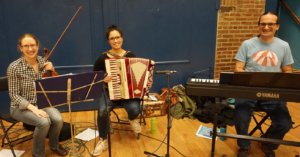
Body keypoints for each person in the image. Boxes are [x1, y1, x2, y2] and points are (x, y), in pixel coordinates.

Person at [234, 12, 293, 157]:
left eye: (270, 24)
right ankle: (244, 145)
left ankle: (268, 142)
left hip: (272, 93)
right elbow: (238, 69)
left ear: (277, 26)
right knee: (240, 115)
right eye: (263, 24)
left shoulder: (284, 46)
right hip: (248, 91)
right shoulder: (247, 44)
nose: (266, 27)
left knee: (285, 123)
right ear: (258, 25)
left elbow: (287, 70)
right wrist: (254, 79)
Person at [92, 24, 152, 156]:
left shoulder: (130, 56)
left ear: (122, 38)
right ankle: (103, 139)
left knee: (135, 110)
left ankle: (131, 119)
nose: (115, 41)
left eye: (117, 37)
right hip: (109, 92)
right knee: (102, 111)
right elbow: (94, 77)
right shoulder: (103, 58)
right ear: (108, 41)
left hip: (128, 94)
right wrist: (103, 78)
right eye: (112, 38)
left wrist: (147, 82)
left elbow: (140, 75)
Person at [7, 34, 68, 157]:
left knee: (58, 119)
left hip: (41, 102)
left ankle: (54, 146)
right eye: (26, 46)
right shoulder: (14, 67)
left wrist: (52, 70)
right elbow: (13, 95)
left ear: (38, 46)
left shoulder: (43, 62)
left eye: (32, 45)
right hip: (20, 107)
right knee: (44, 122)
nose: (30, 49)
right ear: (21, 48)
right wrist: (33, 108)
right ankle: (38, 154)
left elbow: (52, 86)